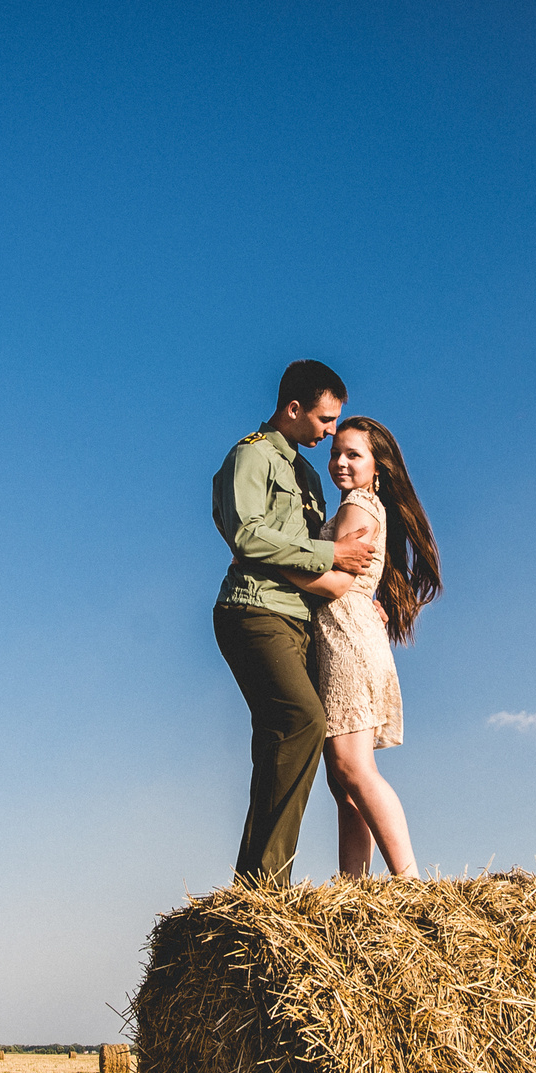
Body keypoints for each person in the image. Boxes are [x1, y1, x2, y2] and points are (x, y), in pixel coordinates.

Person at [212, 361, 376, 885]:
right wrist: (328, 552)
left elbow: (325, 558)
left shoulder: (306, 474)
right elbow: (247, 536)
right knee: (303, 721)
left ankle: (255, 883)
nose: (331, 431)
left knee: (281, 742)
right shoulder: (250, 456)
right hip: (253, 610)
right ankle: (265, 884)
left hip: (299, 620)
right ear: (294, 409)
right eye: (327, 420)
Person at [283, 417, 442, 878]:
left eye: (354, 454)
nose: (340, 462)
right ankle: (354, 887)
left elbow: (336, 584)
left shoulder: (359, 504)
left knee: (353, 768)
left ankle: (409, 881)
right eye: (336, 453)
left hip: (348, 640)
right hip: (346, 637)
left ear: (378, 466)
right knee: (343, 780)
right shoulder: (359, 506)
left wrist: (268, 562)